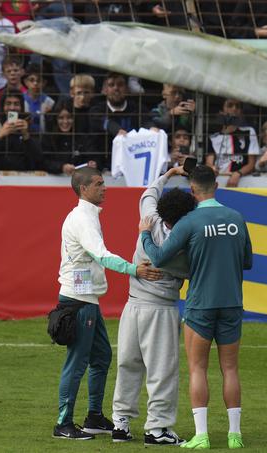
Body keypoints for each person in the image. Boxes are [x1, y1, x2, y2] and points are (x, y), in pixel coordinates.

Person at [140, 165, 252, 449]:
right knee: (231, 369)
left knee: (198, 369)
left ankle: (201, 435)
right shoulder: (236, 218)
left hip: (201, 304)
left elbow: (160, 257)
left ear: (193, 190)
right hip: (232, 302)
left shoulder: (190, 222)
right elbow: (247, 261)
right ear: (216, 185)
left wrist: (144, 235)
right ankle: (234, 435)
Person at [53, 166, 163, 440]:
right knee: (77, 363)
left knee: (102, 356)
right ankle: (63, 423)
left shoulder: (85, 215)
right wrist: (134, 269)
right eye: (99, 183)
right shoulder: (83, 219)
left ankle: (93, 417)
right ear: (84, 189)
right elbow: (102, 256)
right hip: (79, 300)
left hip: (85, 298)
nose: (105, 187)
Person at [112, 168, 196, 446]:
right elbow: (184, 268)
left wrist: (169, 173)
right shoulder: (183, 247)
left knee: (128, 364)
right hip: (160, 309)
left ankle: (120, 423)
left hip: (132, 305)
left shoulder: (149, 218)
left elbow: (149, 194)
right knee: (162, 370)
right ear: (188, 216)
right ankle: (157, 428)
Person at [0, 89, 45, 171]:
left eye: (16, 104)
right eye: (8, 103)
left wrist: (26, 136)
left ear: (22, 107)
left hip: (24, 178)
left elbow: (39, 160)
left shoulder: (30, 129)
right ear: (3, 107)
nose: (12, 108)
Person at [206, 98, 259, 187]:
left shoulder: (249, 132)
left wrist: (238, 174)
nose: (234, 109)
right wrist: (212, 168)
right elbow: (209, 162)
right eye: (230, 105)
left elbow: (251, 164)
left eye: (237, 106)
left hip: (241, 182)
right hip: (218, 181)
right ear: (221, 111)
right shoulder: (212, 138)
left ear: (241, 112)